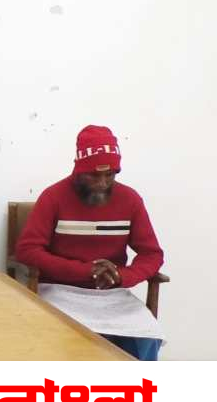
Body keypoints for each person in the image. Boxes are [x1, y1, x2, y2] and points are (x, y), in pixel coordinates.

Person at [15, 125, 165, 360]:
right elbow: (27, 250)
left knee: (146, 336)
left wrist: (123, 275)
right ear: (78, 169)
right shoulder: (53, 197)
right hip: (60, 291)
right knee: (69, 342)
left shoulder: (130, 199)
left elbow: (152, 254)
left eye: (110, 174)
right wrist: (85, 271)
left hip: (113, 294)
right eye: (94, 175)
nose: (102, 183)